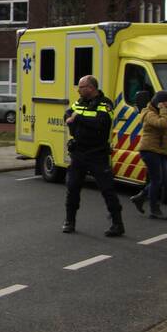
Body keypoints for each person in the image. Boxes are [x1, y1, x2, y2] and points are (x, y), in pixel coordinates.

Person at [62, 75, 125, 237]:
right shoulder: (79, 102)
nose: (78, 90)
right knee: (72, 188)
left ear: (91, 88)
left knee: (107, 189)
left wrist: (78, 118)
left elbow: (100, 123)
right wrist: (72, 118)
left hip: (97, 153)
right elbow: (68, 114)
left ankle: (117, 223)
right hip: (79, 153)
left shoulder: (105, 104)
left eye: (81, 87)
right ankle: (70, 221)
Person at [130, 90, 167, 220]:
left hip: (161, 150)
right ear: (160, 102)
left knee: (165, 179)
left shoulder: (161, 112)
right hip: (149, 150)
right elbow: (162, 124)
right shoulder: (148, 113)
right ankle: (154, 209)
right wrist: (165, 111)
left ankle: (141, 197)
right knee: (156, 180)